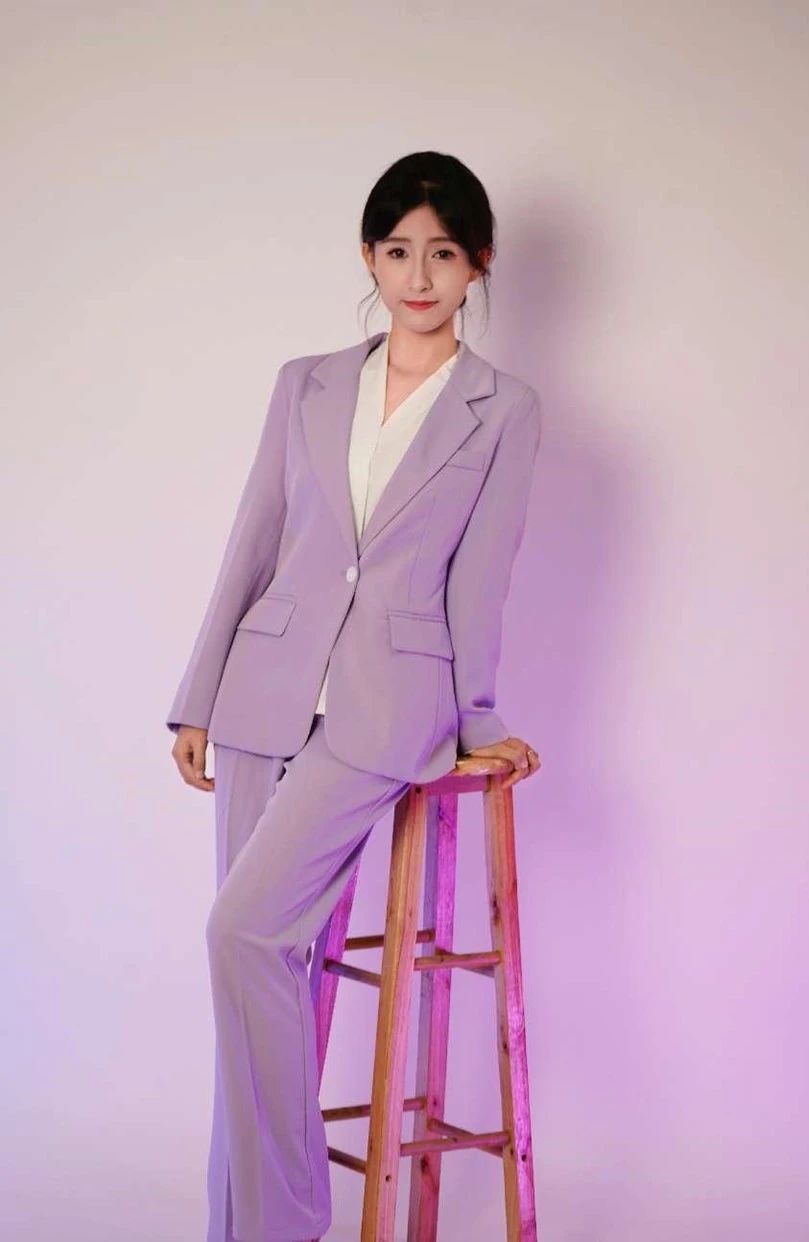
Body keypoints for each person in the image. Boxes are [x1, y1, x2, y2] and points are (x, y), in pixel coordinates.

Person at [166, 150, 543, 1242]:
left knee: (243, 936)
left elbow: (481, 579)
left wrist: (479, 721)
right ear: (368, 258)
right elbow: (256, 541)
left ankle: (283, 1223)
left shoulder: (503, 409)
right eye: (398, 251)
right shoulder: (308, 382)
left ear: (478, 264)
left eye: (443, 253)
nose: (419, 276)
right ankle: (237, 1226)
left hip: (385, 710)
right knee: (256, 971)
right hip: (262, 694)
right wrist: (197, 697)